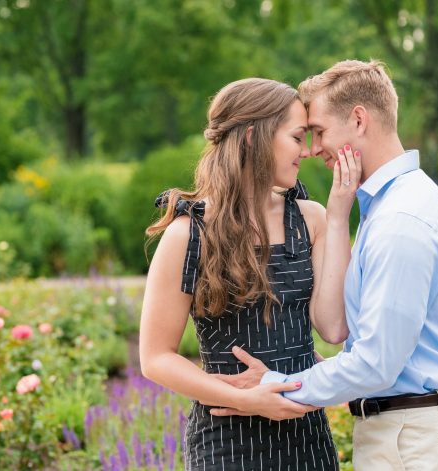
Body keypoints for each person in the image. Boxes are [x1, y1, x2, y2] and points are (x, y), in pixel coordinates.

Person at [211, 60, 438, 470]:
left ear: (358, 120)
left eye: (318, 131)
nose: (313, 148)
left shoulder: (401, 220)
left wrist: (276, 385)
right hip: (406, 433)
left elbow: (377, 362)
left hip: (414, 440)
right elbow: (359, 338)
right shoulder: (390, 206)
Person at [139, 77, 362, 470]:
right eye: (297, 137)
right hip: (225, 445)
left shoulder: (311, 221)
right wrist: (244, 399)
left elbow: (332, 327)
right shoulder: (188, 233)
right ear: (253, 137)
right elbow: (155, 357)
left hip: (306, 439)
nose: (307, 151)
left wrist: (340, 214)